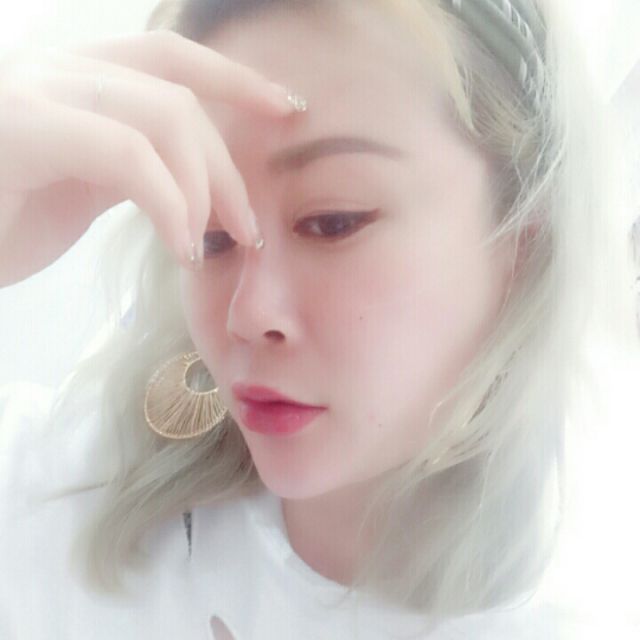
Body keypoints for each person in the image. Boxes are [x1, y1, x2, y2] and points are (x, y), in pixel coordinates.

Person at [0, 0, 638, 638]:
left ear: (520, 243)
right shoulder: (60, 504)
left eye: (332, 221)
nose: (247, 314)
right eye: (212, 235)